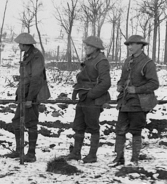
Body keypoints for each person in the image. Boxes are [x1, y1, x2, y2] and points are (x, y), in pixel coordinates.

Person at [113, 35, 159, 166]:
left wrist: (136, 89)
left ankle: (135, 160)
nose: (130, 47)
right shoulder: (127, 61)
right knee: (120, 130)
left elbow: (154, 84)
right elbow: (123, 78)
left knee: (136, 131)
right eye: (128, 44)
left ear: (141, 45)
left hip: (139, 103)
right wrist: (119, 85)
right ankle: (119, 158)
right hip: (125, 102)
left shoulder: (147, 63)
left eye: (133, 44)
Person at [65, 36, 111, 163]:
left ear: (96, 48)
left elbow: (106, 83)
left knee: (93, 126)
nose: (86, 48)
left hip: (93, 99)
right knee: (78, 125)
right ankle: (76, 153)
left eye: (89, 46)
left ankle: (92, 155)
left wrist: (91, 94)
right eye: (86, 45)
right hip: (83, 97)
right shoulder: (88, 59)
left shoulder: (101, 61)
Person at [5, 33, 49, 162]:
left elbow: (36, 79)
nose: (19, 46)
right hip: (24, 94)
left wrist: (30, 98)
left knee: (31, 123)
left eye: (20, 44)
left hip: (32, 95)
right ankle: (19, 151)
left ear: (25, 44)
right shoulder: (28, 55)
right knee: (17, 122)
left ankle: (31, 154)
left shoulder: (36, 56)